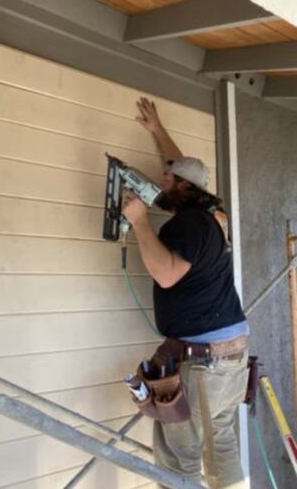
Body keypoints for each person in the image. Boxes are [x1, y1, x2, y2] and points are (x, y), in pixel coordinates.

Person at [122, 98, 250, 488]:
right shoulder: (214, 217)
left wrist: (141, 222)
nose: (161, 186)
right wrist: (157, 129)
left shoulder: (188, 225)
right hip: (230, 355)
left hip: (202, 364)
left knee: (180, 453)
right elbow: (185, 170)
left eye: (167, 181)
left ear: (183, 188)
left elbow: (167, 274)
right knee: (222, 441)